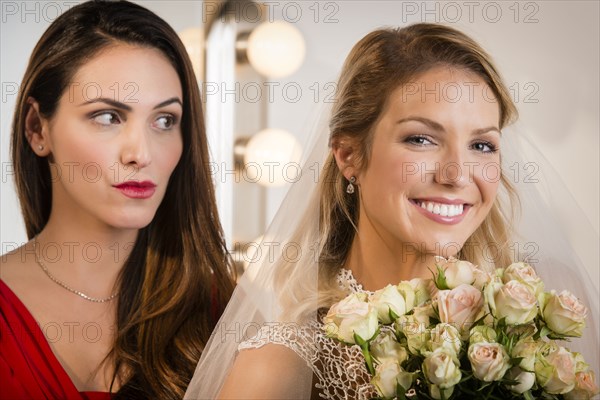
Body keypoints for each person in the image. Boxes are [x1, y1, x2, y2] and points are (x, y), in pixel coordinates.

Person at [184, 23, 599, 399]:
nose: (456, 174)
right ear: (348, 154)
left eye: (482, 145)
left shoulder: (535, 339)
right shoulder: (280, 367)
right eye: (421, 139)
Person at [0, 1, 235, 399]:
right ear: (37, 129)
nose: (140, 153)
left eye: (164, 121)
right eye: (108, 117)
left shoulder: (220, 313)